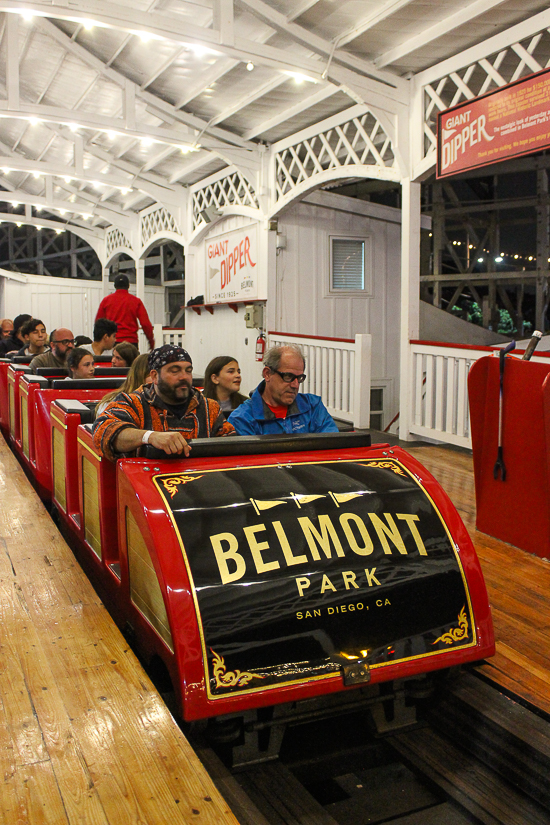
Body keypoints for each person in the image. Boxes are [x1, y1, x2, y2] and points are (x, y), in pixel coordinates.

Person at [93, 344, 235, 460]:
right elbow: (103, 432)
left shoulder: (210, 408)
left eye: (188, 371)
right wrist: (149, 437)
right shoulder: (132, 403)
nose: (184, 377)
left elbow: (231, 443)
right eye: (175, 371)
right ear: (154, 376)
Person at [228, 344, 339, 435]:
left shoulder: (313, 406)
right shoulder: (242, 419)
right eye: (288, 376)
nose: (295, 385)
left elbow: (332, 446)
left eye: (299, 378)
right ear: (267, 374)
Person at [95, 274, 155, 350]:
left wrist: (98, 343)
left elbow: (98, 323)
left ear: (115, 286)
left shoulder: (106, 301)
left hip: (112, 342)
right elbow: (145, 324)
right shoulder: (136, 301)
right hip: (131, 342)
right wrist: (151, 341)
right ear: (128, 286)